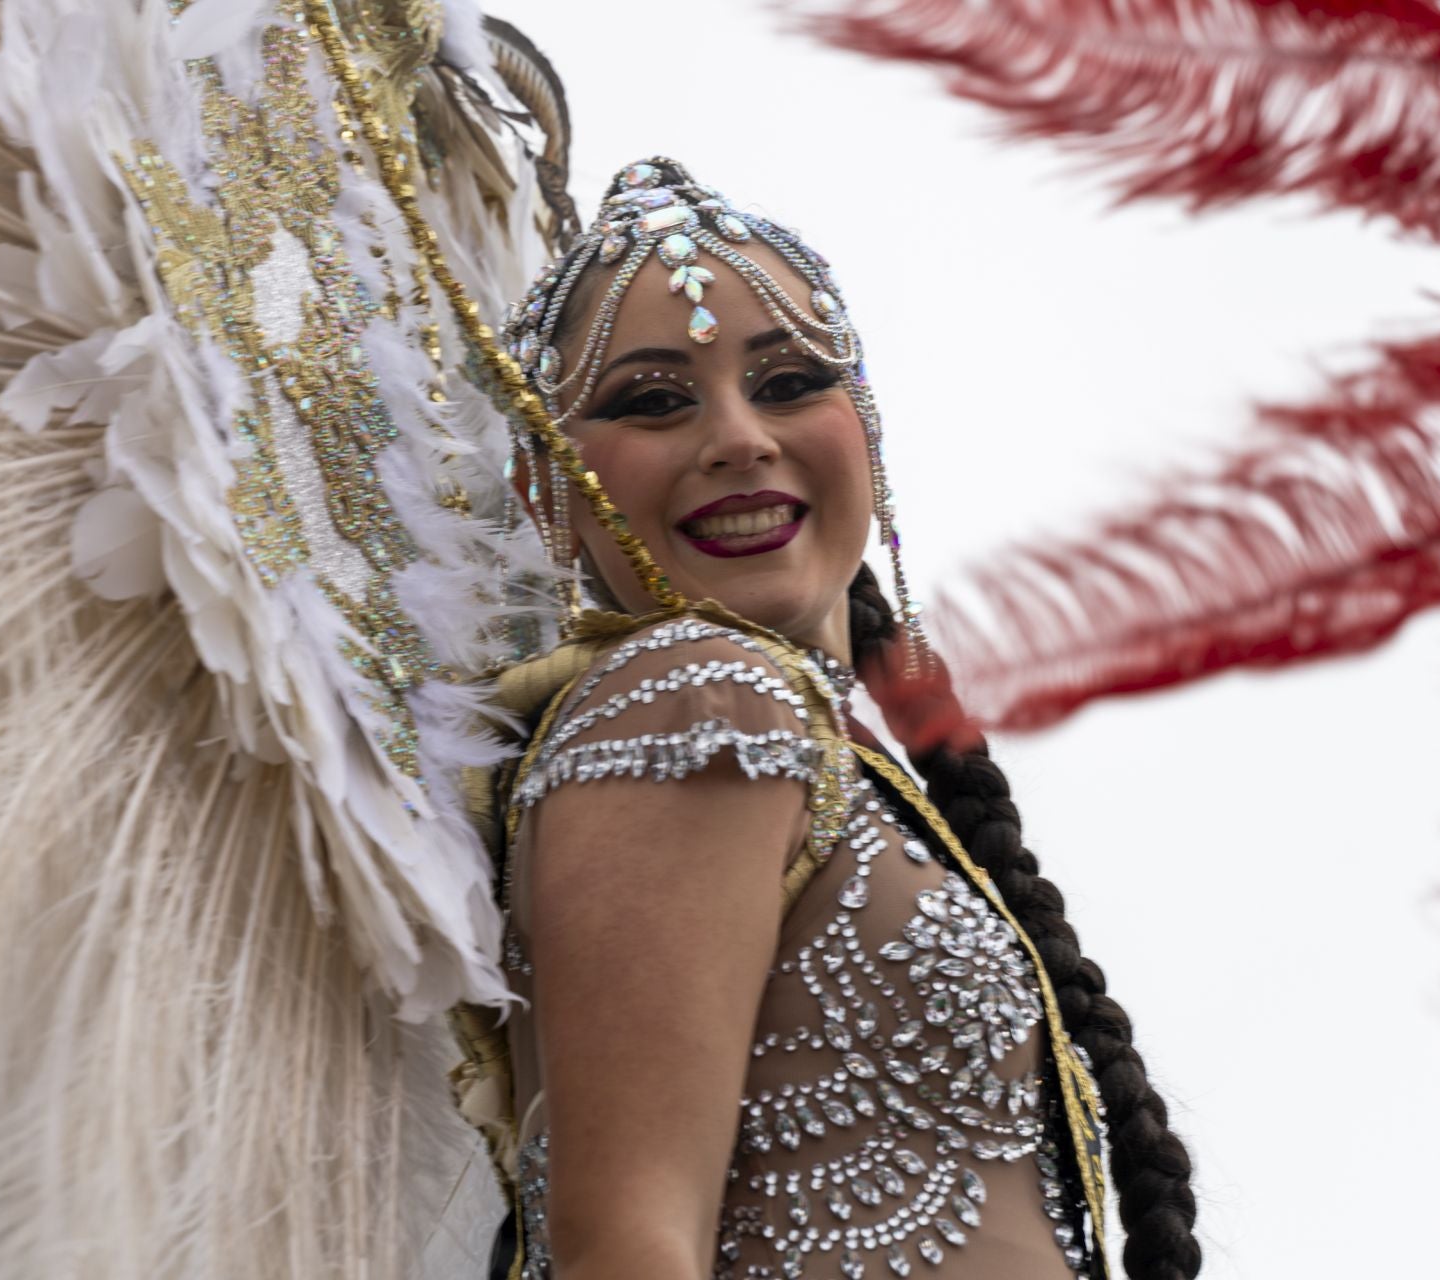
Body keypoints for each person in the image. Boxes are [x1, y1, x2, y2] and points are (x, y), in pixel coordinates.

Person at [454, 158, 1202, 1280]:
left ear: (867, 429)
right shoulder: (698, 695)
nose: (738, 437)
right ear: (545, 494)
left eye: (790, 380)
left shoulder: (836, 752)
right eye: (655, 399)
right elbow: (622, 1241)